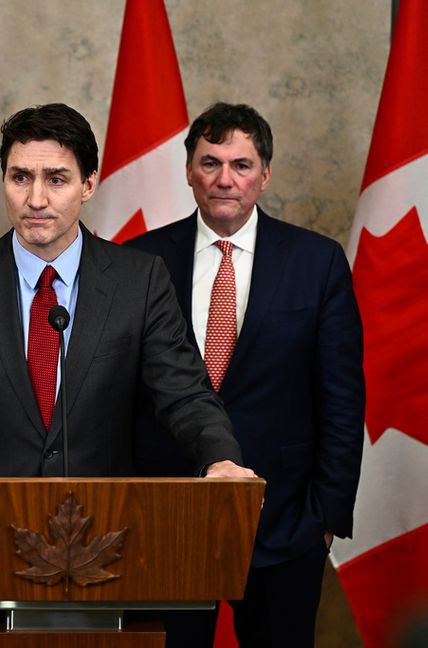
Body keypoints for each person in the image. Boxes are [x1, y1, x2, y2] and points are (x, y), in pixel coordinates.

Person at [0, 103, 255, 522]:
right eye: (20, 178)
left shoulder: (138, 281)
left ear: (88, 185)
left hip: (107, 525)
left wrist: (220, 460)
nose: (36, 199)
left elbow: (185, 394)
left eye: (56, 179)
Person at [125, 102, 364, 648]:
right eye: (210, 163)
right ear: (188, 171)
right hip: (167, 518)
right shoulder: (139, 262)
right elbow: (120, 393)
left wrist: (325, 516)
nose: (225, 180)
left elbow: (342, 399)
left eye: (241, 164)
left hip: (284, 518)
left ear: (265, 173)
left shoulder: (316, 261)